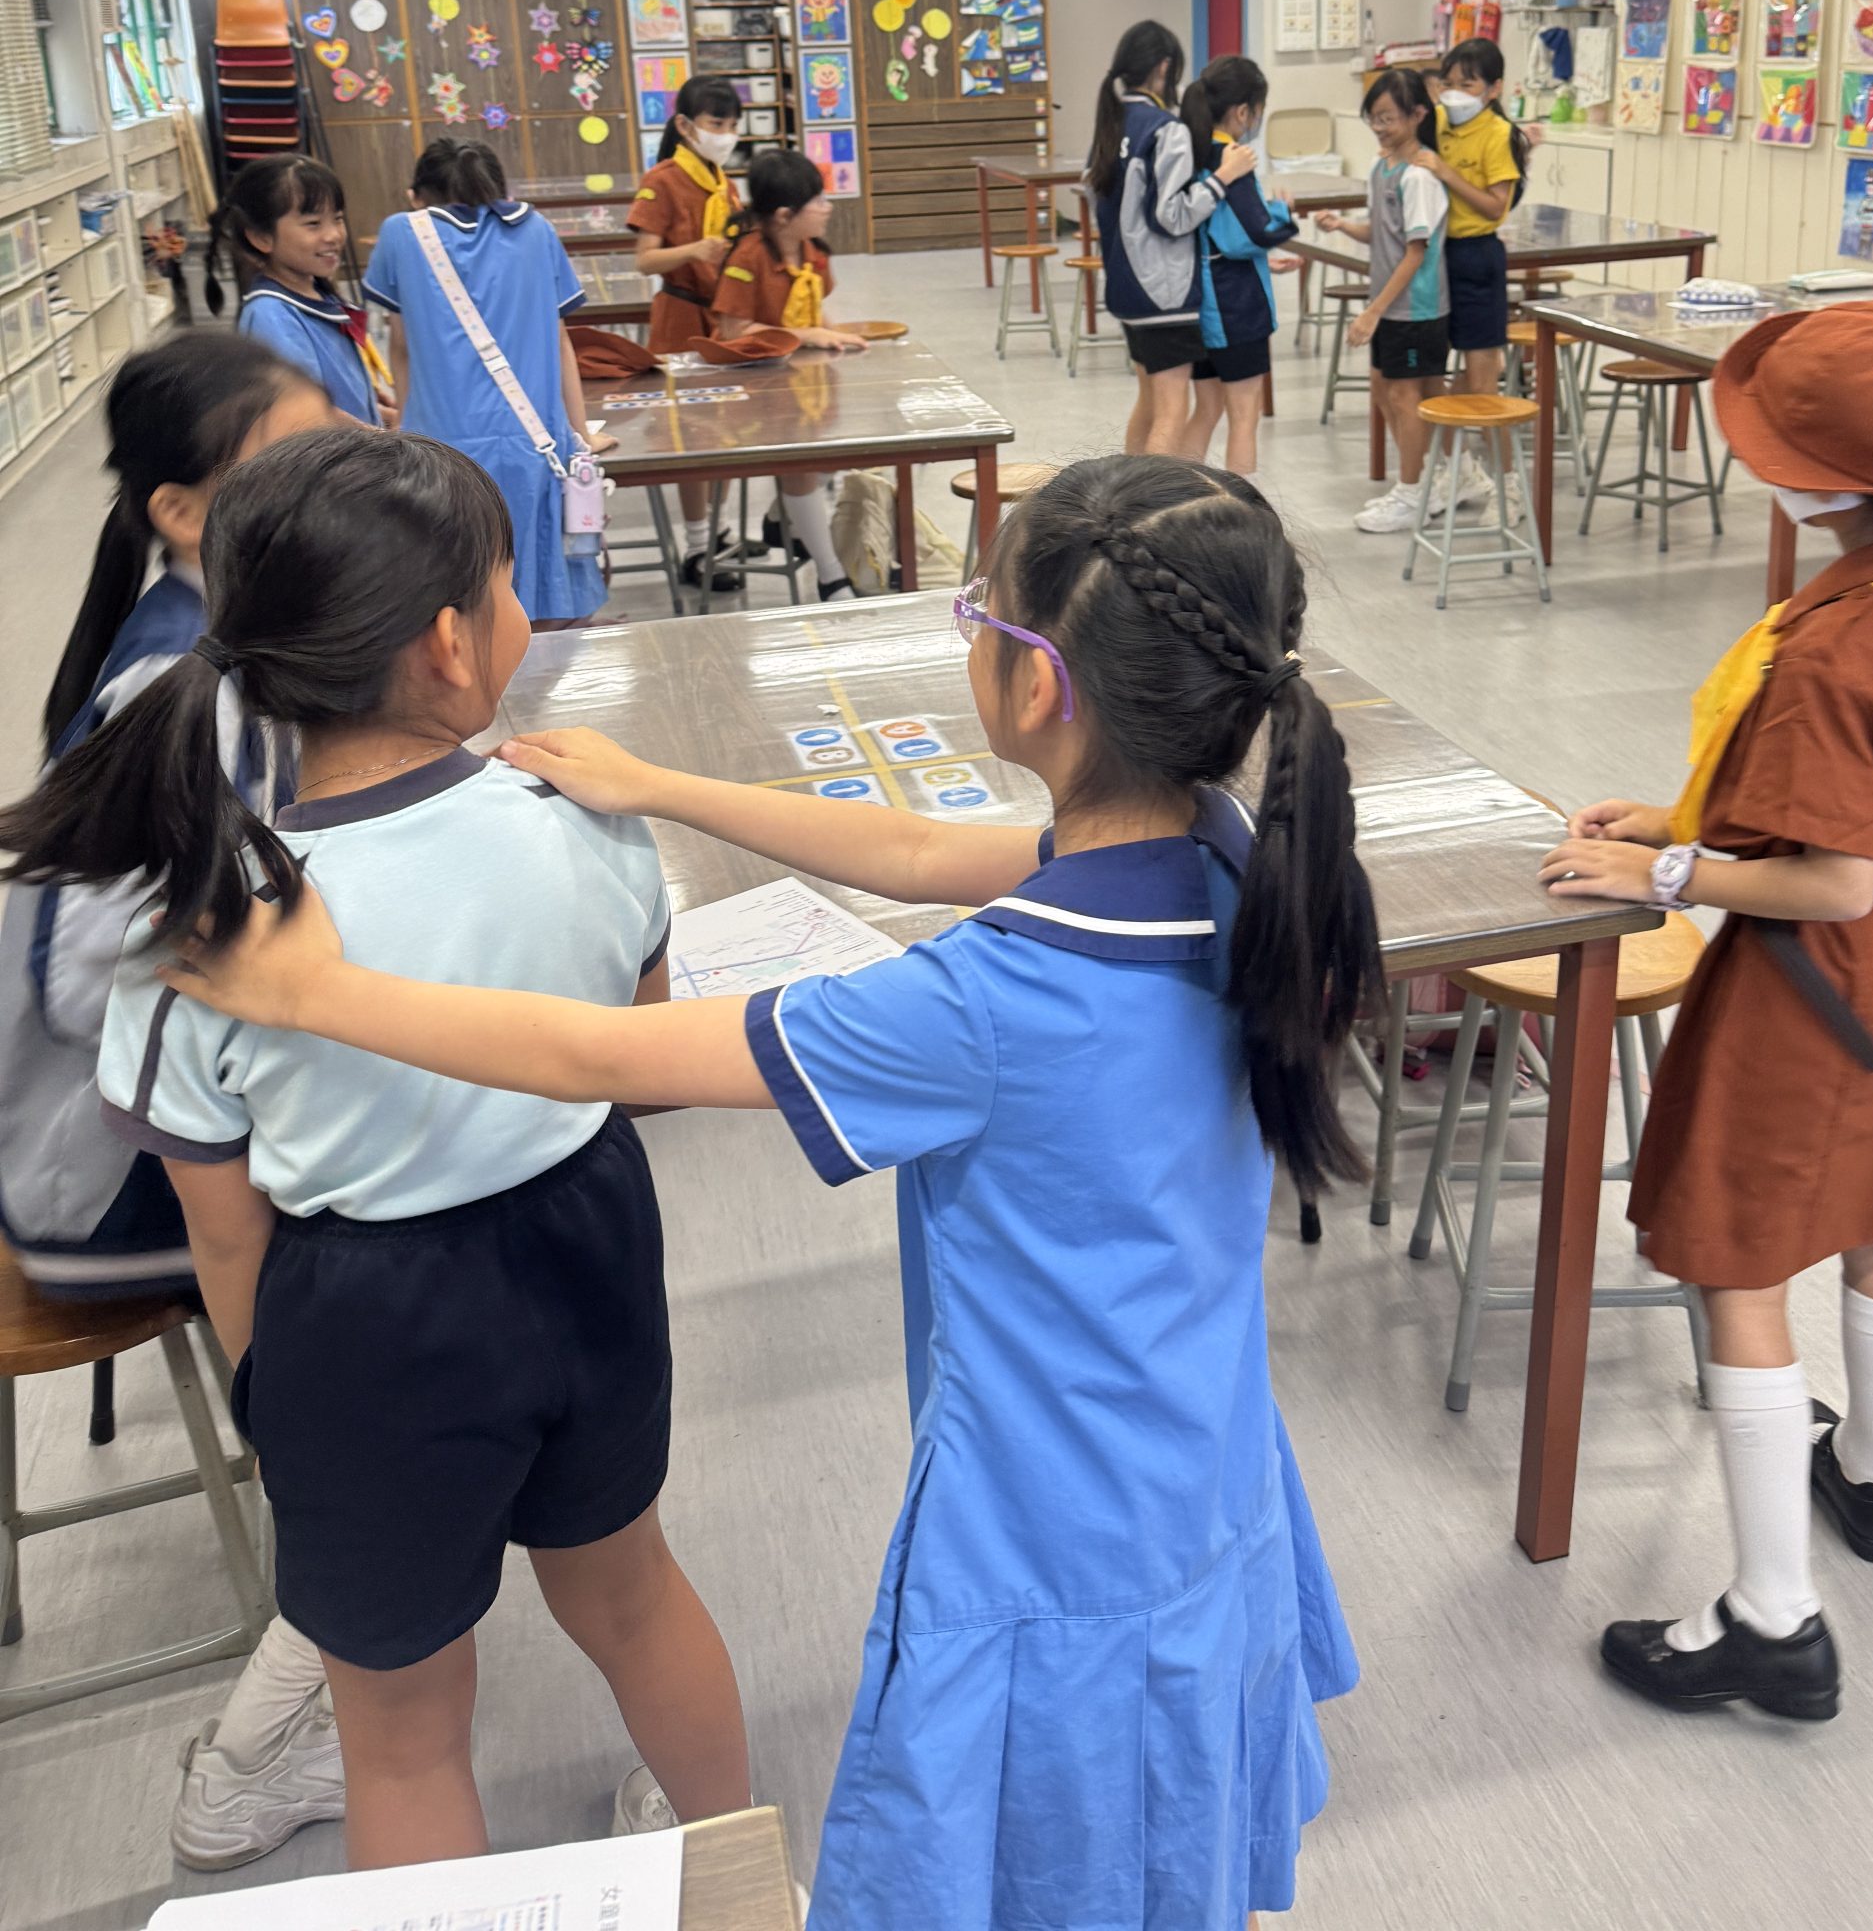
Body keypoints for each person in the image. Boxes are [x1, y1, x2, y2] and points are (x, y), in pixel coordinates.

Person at [161, 454, 1370, 1929]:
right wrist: (659, 785)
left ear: (1040, 685)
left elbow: (599, 1052)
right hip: (1201, 1456)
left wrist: (321, 996)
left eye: (977, 615)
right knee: (1164, 1790)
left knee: (1057, 1834)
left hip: (1046, 1515)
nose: (967, 634)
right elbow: (919, 851)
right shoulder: (1228, 857)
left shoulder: (984, 1004)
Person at [1, 428, 749, 1868]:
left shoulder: (208, 923)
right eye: (509, 583)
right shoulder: (585, 822)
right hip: (588, 1241)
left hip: (361, 1318)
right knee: (634, 1595)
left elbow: (225, 1230)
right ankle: (734, 1862)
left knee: (400, 1730)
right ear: (453, 644)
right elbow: (640, 1049)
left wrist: (272, 1399)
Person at [1540, 299, 1873, 1723]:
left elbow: (1829, 878)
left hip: (1820, 981)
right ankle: (1869, 1477)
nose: (1757, 460)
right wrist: (1680, 815)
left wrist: (1666, 870)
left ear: (1837, 480)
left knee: (1738, 1269)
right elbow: (1858, 821)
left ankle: (1769, 1620)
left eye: (1778, 446)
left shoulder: (1830, 647)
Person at [0, 331, 345, 1872]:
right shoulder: (178, 684)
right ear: (183, 512)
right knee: (410, 1232)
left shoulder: (228, 640)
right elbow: (88, 991)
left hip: (148, 1121)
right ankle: (328, 1638)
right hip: (95, 1179)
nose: (332, 479)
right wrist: (311, 986)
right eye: (294, 459)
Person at [363, 139, 608, 628]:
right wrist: (581, 437)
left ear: (418, 196)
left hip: (442, 457)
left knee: (455, 609)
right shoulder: (537, 231)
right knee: (545, 604)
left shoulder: (400, 234)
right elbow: (561, 341)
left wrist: (402, 429)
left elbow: (401, 345)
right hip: (536, 448)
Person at [1086, 19, 1256, 454]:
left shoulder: (1114, 122)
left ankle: (1130, 492)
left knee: (1149, 405)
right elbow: (1173, 217)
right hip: (1164, 291)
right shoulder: (1165, 129)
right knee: (1171, 412)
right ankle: (1155, 499)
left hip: (1125, 284)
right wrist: (1223, 177)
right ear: (1165, 67)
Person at [717, 145, 865, 602]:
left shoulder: (813, 252)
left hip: (804, 381)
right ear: (784, 216)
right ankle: (830, 575)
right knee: (802, 466)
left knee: (832, 454)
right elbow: (733, 331)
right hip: (754, 387)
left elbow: (818, 311)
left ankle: (783, 518)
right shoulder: (747, 258)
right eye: (817, 201)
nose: (827, 208)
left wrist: (834, 335)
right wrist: (806, 335)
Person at [1314, 68, 1451, 535]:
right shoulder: (1383, 168)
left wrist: (1372, 312)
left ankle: (1414, 493)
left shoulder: (1420, 176)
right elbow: (1381, 231)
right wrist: (1343, 225)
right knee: (1384, 388)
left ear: (1417, 115)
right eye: (1373, 118)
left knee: (1404, 395)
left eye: (1388, 118)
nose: (1379, 127)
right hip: (1393, 305)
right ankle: (1428, 481)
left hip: (1416, 307)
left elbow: (1416, 251)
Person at [627, 78, 745, 588]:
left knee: (728, 429)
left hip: (722, 319)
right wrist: (695, 250)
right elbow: (644, 260)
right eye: (717, 123)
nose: (726, 134)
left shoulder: (723, 181)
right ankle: (697, 547)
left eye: (733, 125)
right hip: (679, 318)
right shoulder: (664, 179)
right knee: (689, 437)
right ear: (685, 125)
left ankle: (720, 532)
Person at [206, 153, 393, 427]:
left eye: (337, 219)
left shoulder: (318, 294)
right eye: (313, 224)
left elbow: (331, 391)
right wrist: (379, 440)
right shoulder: (271, 315)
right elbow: (303, 414)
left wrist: (375, 409)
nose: (333, 235)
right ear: (261, 237)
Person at [1182, 55, 1297, 477]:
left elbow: (1218, 231)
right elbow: (1254, 230)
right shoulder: (1235, 159)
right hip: (1237, 306)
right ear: (1243, 111)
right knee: (1244, 416)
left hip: (1201, 301)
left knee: (1206, 409)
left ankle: (1176, 495)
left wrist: (1263, 260)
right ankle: (1241, 509)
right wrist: (1282, 212)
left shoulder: (1194, 152)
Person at [1425, 38, 1526, 495]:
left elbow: (1494, 206)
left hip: (1476, 256)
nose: (1454, 93)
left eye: (1467, 84)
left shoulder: (1499, 134)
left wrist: (1446, 173)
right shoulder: (1438, 120)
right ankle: (1459, 471)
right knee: (1433, 376)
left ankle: (1509, 484)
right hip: (1435, 254)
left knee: (1483, 385)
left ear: (1494, 88)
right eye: (1448, 82)